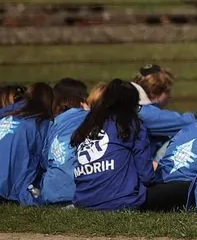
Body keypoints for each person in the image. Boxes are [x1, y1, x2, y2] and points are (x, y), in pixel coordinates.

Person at [70, 79, 190, 212]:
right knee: (185, 188)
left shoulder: (87, 126)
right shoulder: (131, 125)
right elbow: (147, 176)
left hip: (84, 201)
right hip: (121, 201)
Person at [38, 78, 92, 205]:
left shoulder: (56, 123)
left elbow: (44, 161)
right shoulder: (90, 118)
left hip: (51, 194)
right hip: (80, 191)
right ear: (83, 99)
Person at [132, 65, 196, 154]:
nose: (170, 96)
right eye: (168, 91)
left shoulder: (133, 105)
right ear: (154, 93)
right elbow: (188, 122)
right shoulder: (145, 113)